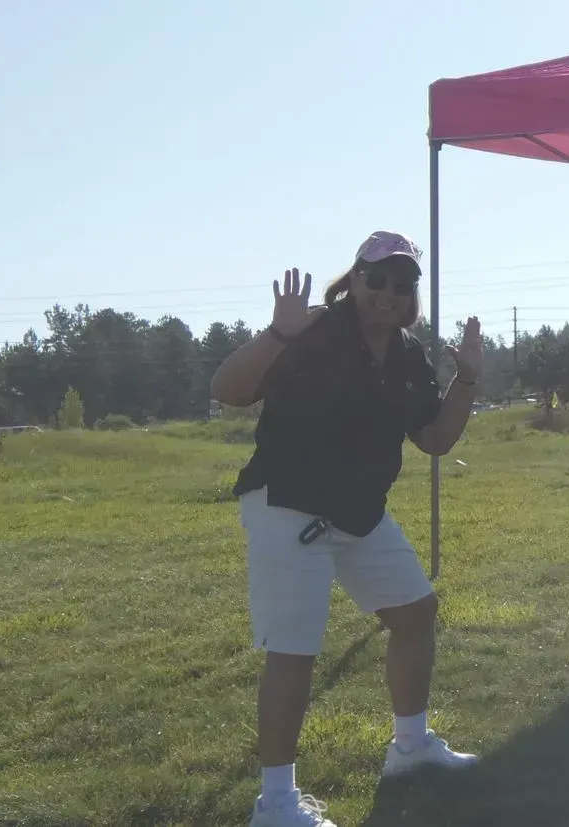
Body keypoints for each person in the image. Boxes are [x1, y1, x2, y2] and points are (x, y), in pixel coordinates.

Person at [210, 231, 482, 827]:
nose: (390, 292)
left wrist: (466, 380)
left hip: (359, 510)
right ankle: (276, 804)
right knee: (295, 651)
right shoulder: (313, 332)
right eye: (377, 278)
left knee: (415, 612)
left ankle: (409, 749)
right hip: (289, 504)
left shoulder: (409, 355)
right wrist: (279, 331)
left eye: (403, 282)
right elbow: (228, 391)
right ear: (354, 280)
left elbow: (435, 440)